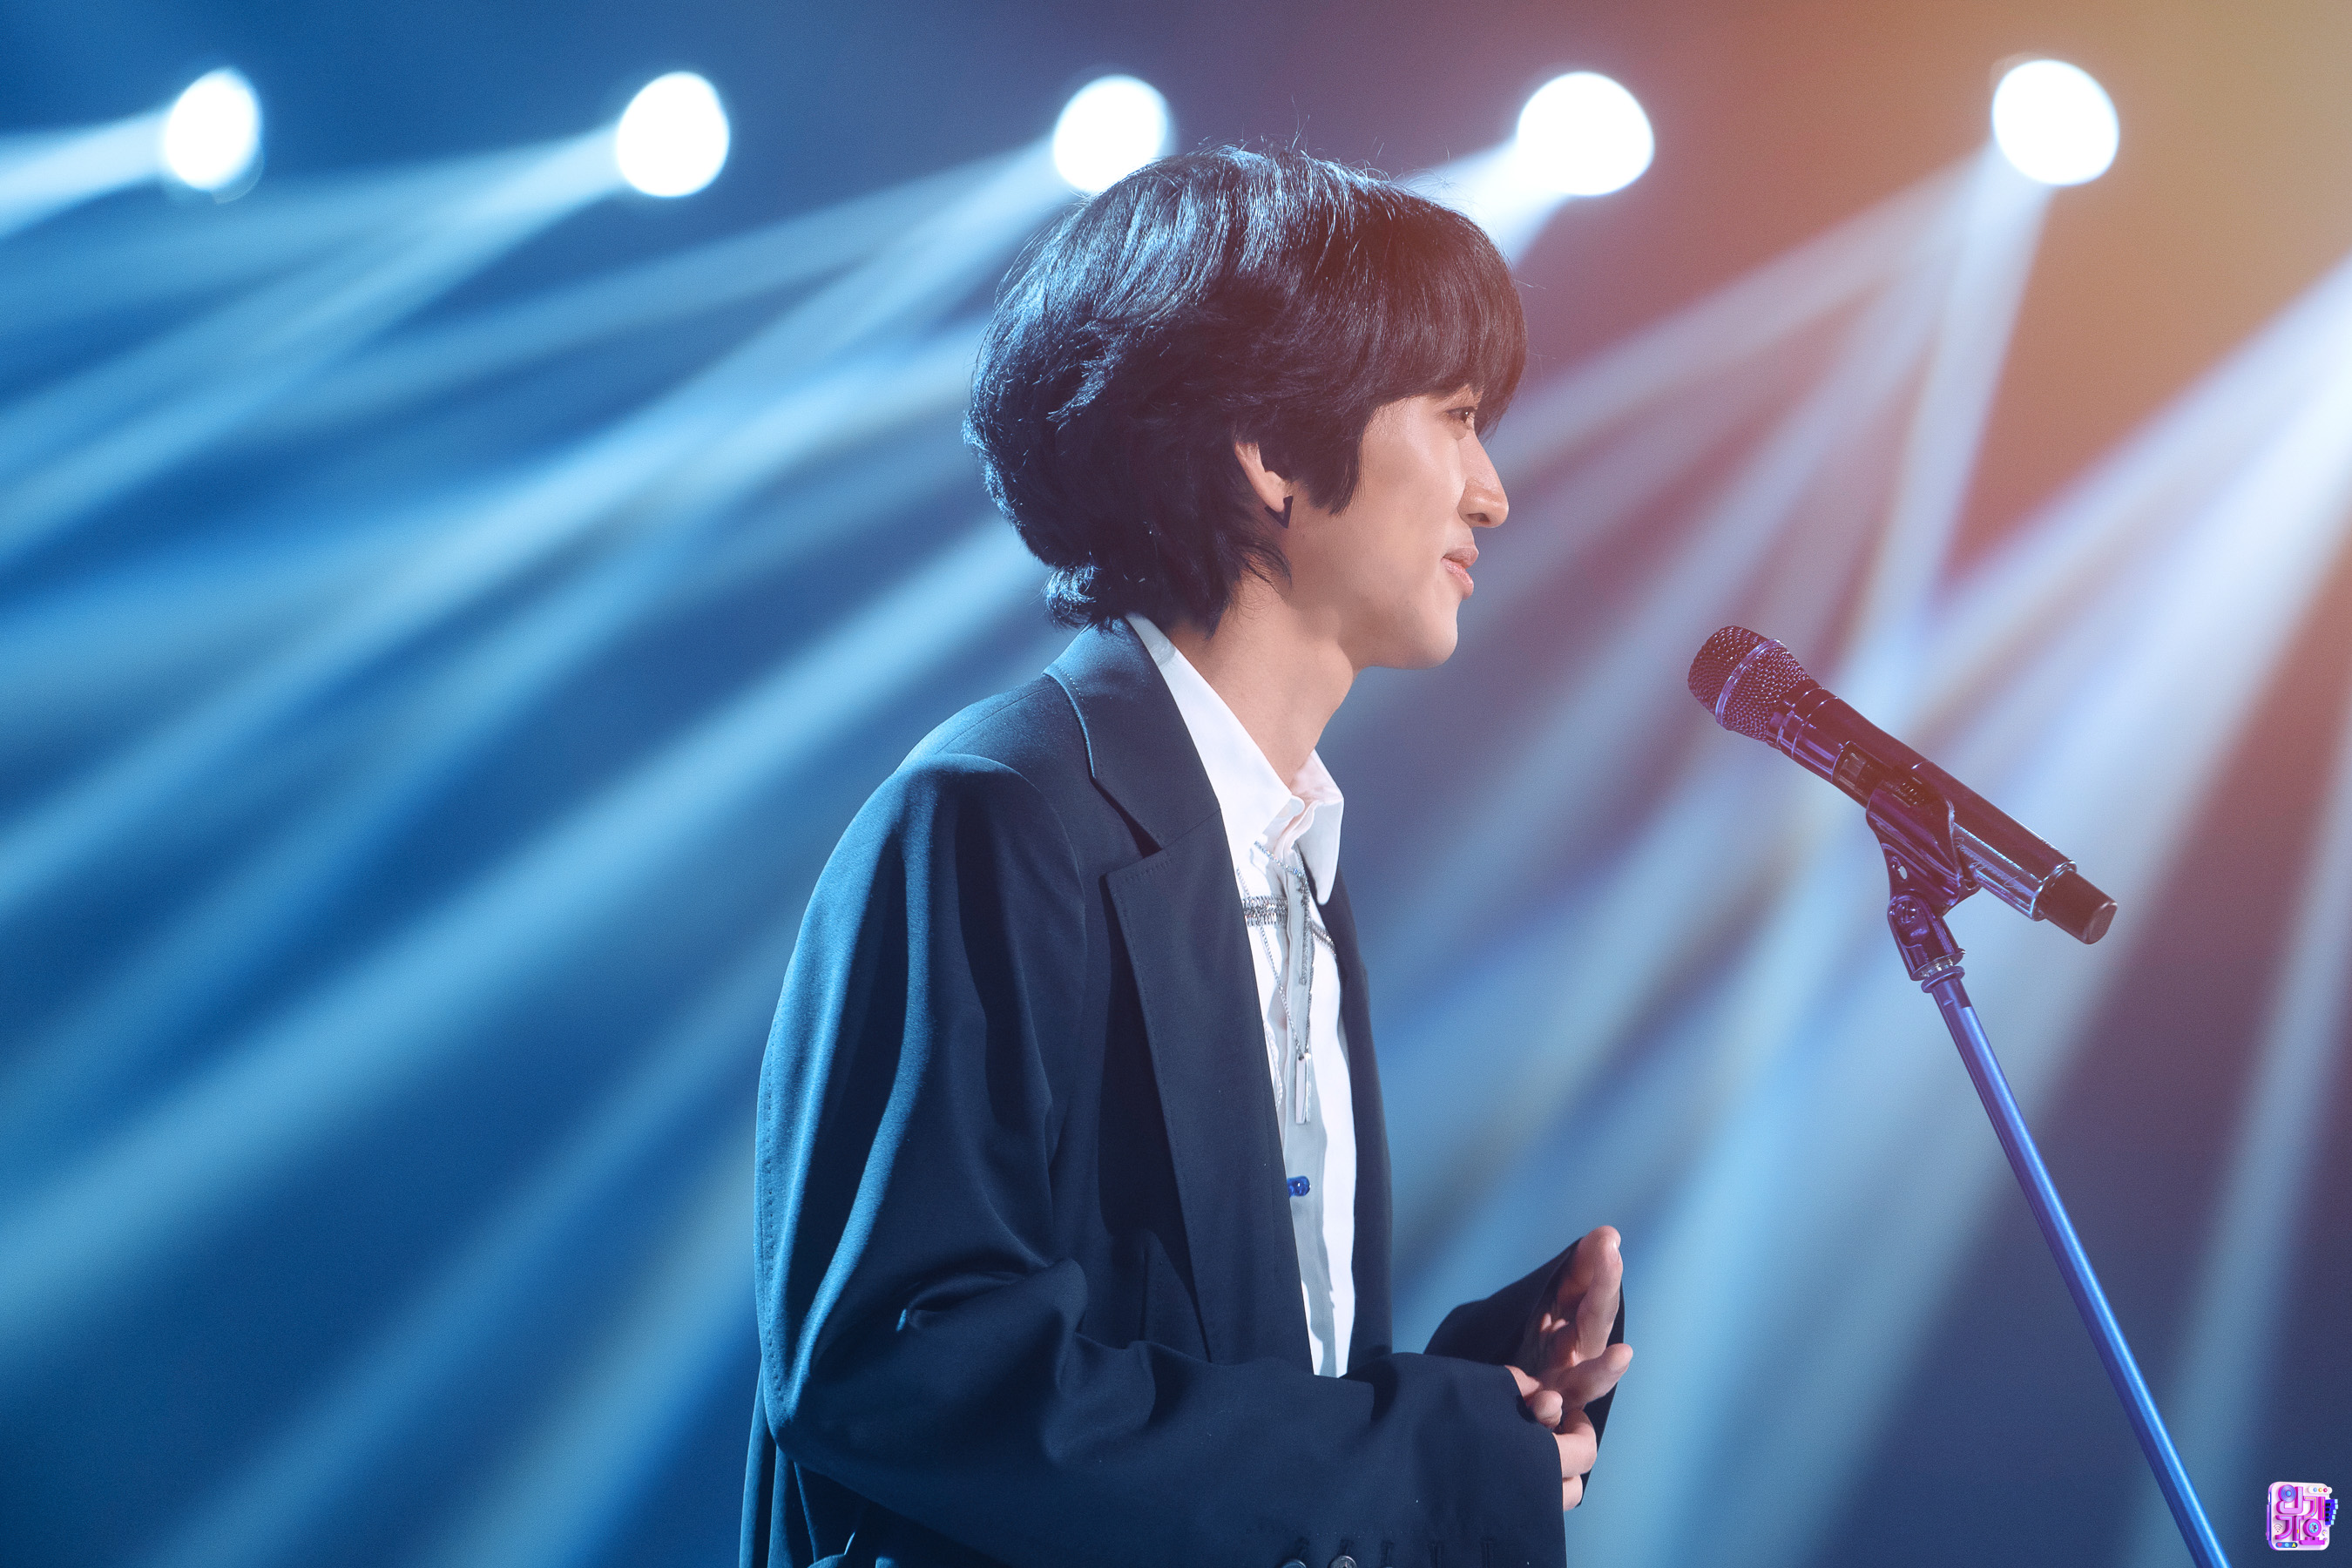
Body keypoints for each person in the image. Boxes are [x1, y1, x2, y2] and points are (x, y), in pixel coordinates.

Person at [743, 145, 1632, 1568]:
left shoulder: (1286, 852)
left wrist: (1464, 1405)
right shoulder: (997, 814)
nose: (1492, 494)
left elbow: (1202, 1380)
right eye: (1458, 418)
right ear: (1270, 451)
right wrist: (1410, 1452)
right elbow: (907, 1366)